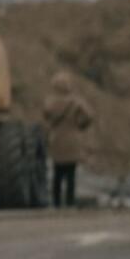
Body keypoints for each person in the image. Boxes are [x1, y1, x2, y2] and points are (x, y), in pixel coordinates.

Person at [42, 71, 92, 207]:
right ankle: (70, 203)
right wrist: (80, 125)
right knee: (71, 175)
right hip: (72, 142)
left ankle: (56, 203)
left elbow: (45, 115)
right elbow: (88, 115)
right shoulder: (76, 102)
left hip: (56, 141)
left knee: (57, 175)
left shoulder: (50, 102)